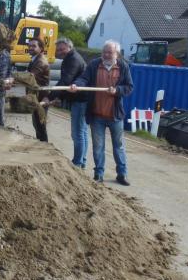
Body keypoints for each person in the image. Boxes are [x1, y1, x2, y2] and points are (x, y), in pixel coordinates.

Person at [70, 40, 133, 185]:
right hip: (97, 114)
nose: (105, 54)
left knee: (118, 146)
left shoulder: (123, 66)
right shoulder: (94, 65)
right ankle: (98, 174)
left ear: (116, 53)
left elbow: (129, 87)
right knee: (98, 147)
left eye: (109, 52)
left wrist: (117, 90)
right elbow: (83, 79)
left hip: (115, 115)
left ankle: (122, 174)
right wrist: (76, 85)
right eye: (104, 51)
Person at [44, 37, 88, 167]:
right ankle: (82, 161)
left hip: (80, 99)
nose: (60, 51)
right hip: (81, 98)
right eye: (58, 49)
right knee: (83, 131)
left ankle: (77, 163)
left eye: (62, 49)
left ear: (69, 47)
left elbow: (65, 81)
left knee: (78, 132)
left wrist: (50, 97)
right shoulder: (70, 58)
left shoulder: (73, 59)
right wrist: (59, 98)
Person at [27, 38, 50, 142]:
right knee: (37, 124)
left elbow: (30, 77)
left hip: (41, 98)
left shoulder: (40, 61)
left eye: (33, 46)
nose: (30, 48)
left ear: (41, 48)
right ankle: (41, 146)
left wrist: (13, 79)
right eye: (29, 45)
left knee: (40, 125)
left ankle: (45, 149)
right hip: (36, 97)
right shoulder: (35, 59)